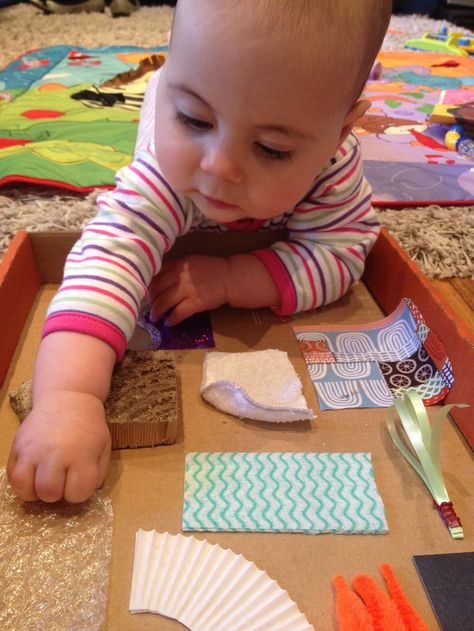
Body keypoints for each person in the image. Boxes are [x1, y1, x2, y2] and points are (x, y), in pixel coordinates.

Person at [7, 0, 392, 503]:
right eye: (193, 118)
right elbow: (105, 264)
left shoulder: (332, 168)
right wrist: (67, 397)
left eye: (271, 149)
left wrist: (234, 277)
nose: (219, 166)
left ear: (337, 135)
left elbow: (342, 252)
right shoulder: (165, 174)